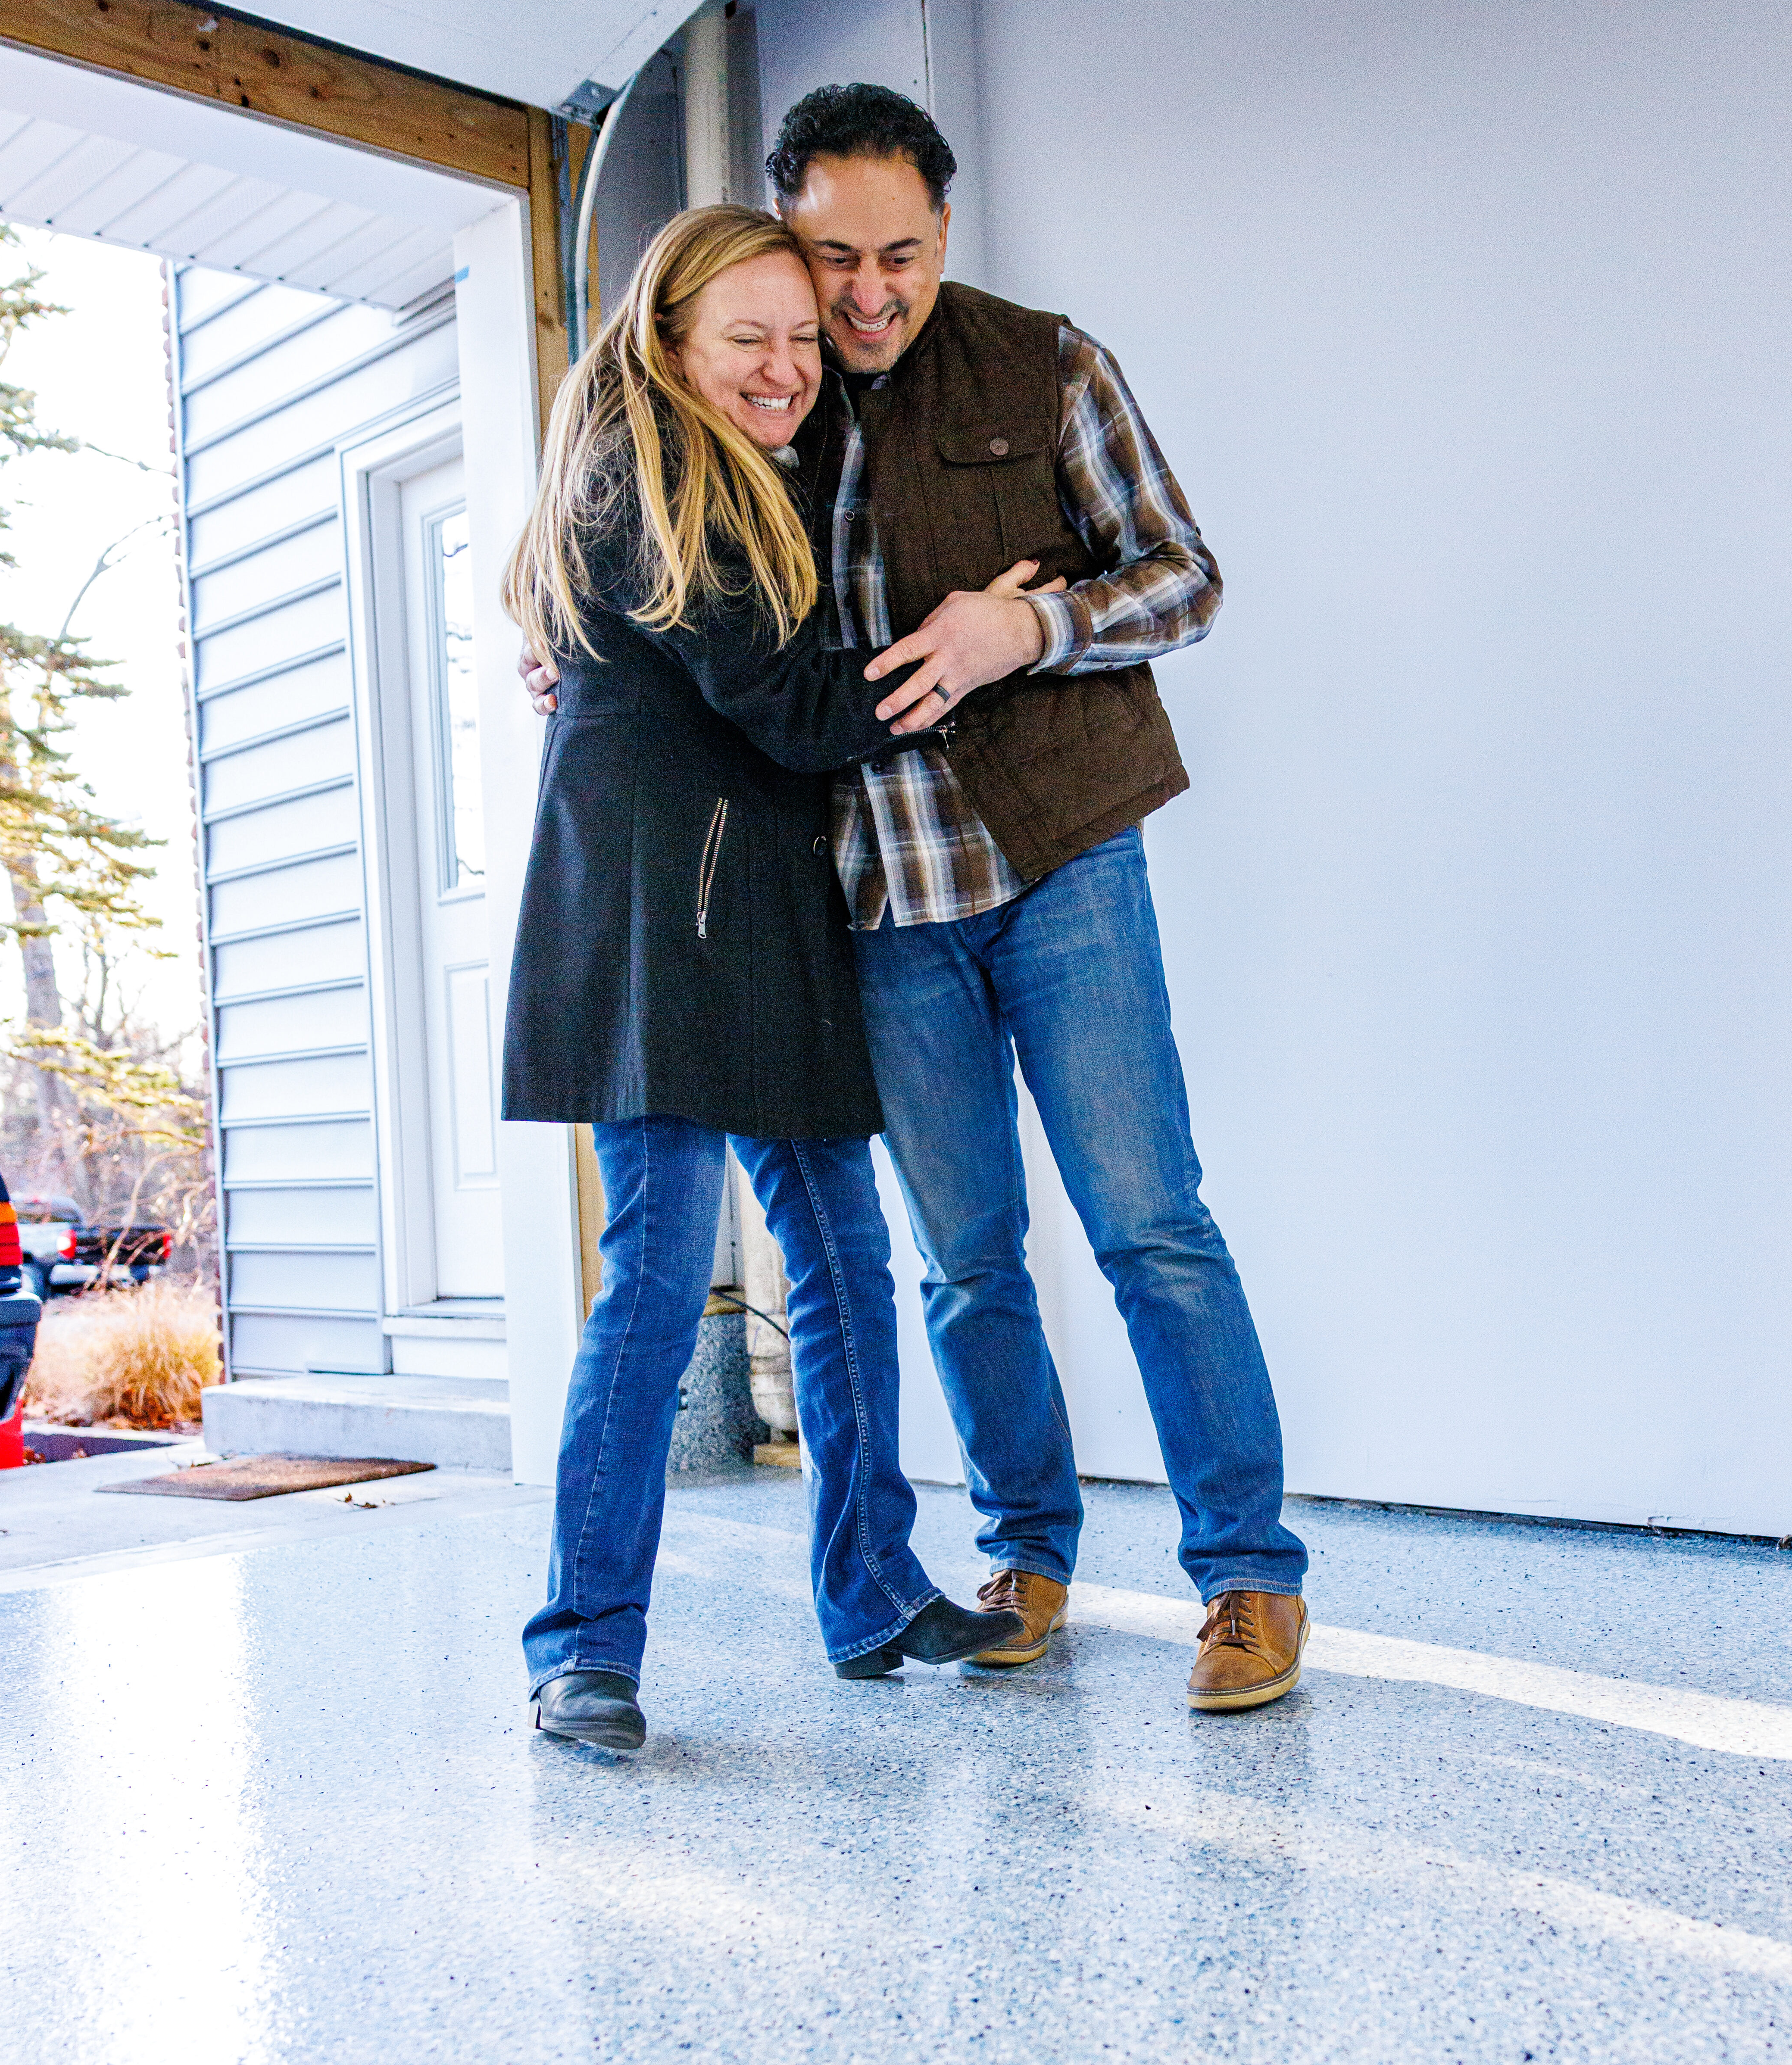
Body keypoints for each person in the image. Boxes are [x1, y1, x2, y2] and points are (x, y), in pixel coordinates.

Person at [533, 89, 1311, 1713]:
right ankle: (1025, 1556)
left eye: (900, 253)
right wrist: (568, 628)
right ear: (780, 259)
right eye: (835, 262)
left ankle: (1245, 1578)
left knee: (1151, 1228)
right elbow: (669, 568)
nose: (866, 296)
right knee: (964, 1259)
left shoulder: (1049, 365)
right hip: (871, 902)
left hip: (1060, 858)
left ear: (944, 235)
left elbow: (1186, 574)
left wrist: (1019, 633)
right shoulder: (760, 404)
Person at [500, 203, 1036, 1752]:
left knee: (846, 1262)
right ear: (670, 342)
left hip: (770, 914)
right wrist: (969, 644)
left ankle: (871, 1584)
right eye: (750, 338)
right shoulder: (646, 473)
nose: (789, 366)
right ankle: (582, 1647)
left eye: (803, 339)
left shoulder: (757, 467)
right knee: (662, 1282)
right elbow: (794, 707)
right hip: (663, 920)